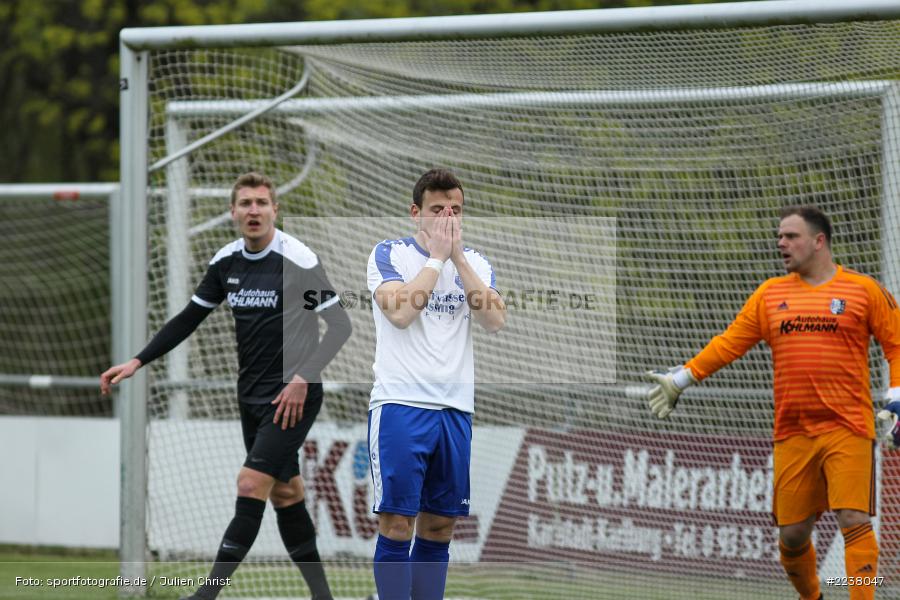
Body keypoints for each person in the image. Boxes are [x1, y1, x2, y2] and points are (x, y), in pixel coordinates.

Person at [100, 172, 352, 600]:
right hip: (251, 397)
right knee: (286, 493)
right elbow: (187, 319)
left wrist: (301, 379)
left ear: (275, 209)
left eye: (261, 203)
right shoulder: (226, 262)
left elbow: (341, 326)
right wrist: (138, 360)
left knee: (250, 485)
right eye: (245, 204)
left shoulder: (299, 259)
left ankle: (206, 594)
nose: (254, 210)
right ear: (233, 212)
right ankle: (323, 597)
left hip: (294, 396)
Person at [644, 206, 900, 600]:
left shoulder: (862, 290)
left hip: (848, 426)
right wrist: (682, 378)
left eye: (791, 236)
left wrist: (897, 394)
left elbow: (896, 343)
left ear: (819, 241)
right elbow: (729, 344)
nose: (781, 242)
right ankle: (811, 596)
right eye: (779, 235)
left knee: (854, 518)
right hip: (792, 432)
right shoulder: (770, 294)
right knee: (793, 536)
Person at [365, 168, 506, 600]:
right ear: (416, 213)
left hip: (455, 411)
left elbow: (495, 320)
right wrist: (436, 259)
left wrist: (457, 258)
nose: (448, 217)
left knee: (440, 526)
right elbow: (401, 313)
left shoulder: (476, 263)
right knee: (396, 524)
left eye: (456, 210)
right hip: (401, 406)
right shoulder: (388, 254)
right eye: (438, 209)